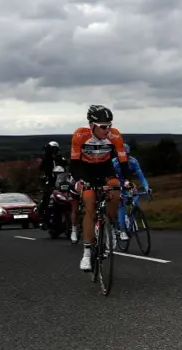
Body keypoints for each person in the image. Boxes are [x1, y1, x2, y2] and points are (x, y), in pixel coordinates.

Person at [69, 104, 133, 271]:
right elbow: (74, 163)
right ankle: (87, 253)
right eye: (103, 127)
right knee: (90, 204)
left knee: (116, 190)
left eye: (109, 125)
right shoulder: (80, 135)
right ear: (91, 125)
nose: (107, 130)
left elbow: (123, 161)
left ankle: (110, 226)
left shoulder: (115, 135)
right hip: (86, 170)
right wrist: (78, 180)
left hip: (105, 169)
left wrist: (125, 180)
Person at [111, 143, 151, 240]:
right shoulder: (114, 162)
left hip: (127, 183)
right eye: (123, 156)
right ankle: (122, 230)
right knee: (121, 204)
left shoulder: (133, 161)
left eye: (127, 155)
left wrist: (146, 187)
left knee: (134, 200)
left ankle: (130, 217)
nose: (126, 158)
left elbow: (141, 176)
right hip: (116, 184)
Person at [38, 141, 67, 229]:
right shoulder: (47, 159)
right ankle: (45, 220)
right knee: (47, 198)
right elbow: (42, 168)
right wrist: (44, 176)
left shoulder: (60, 158)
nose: (54, 151)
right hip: (50, 181)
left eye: (55, 149)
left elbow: (67, 166)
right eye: (52, 149)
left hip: (61, 181)